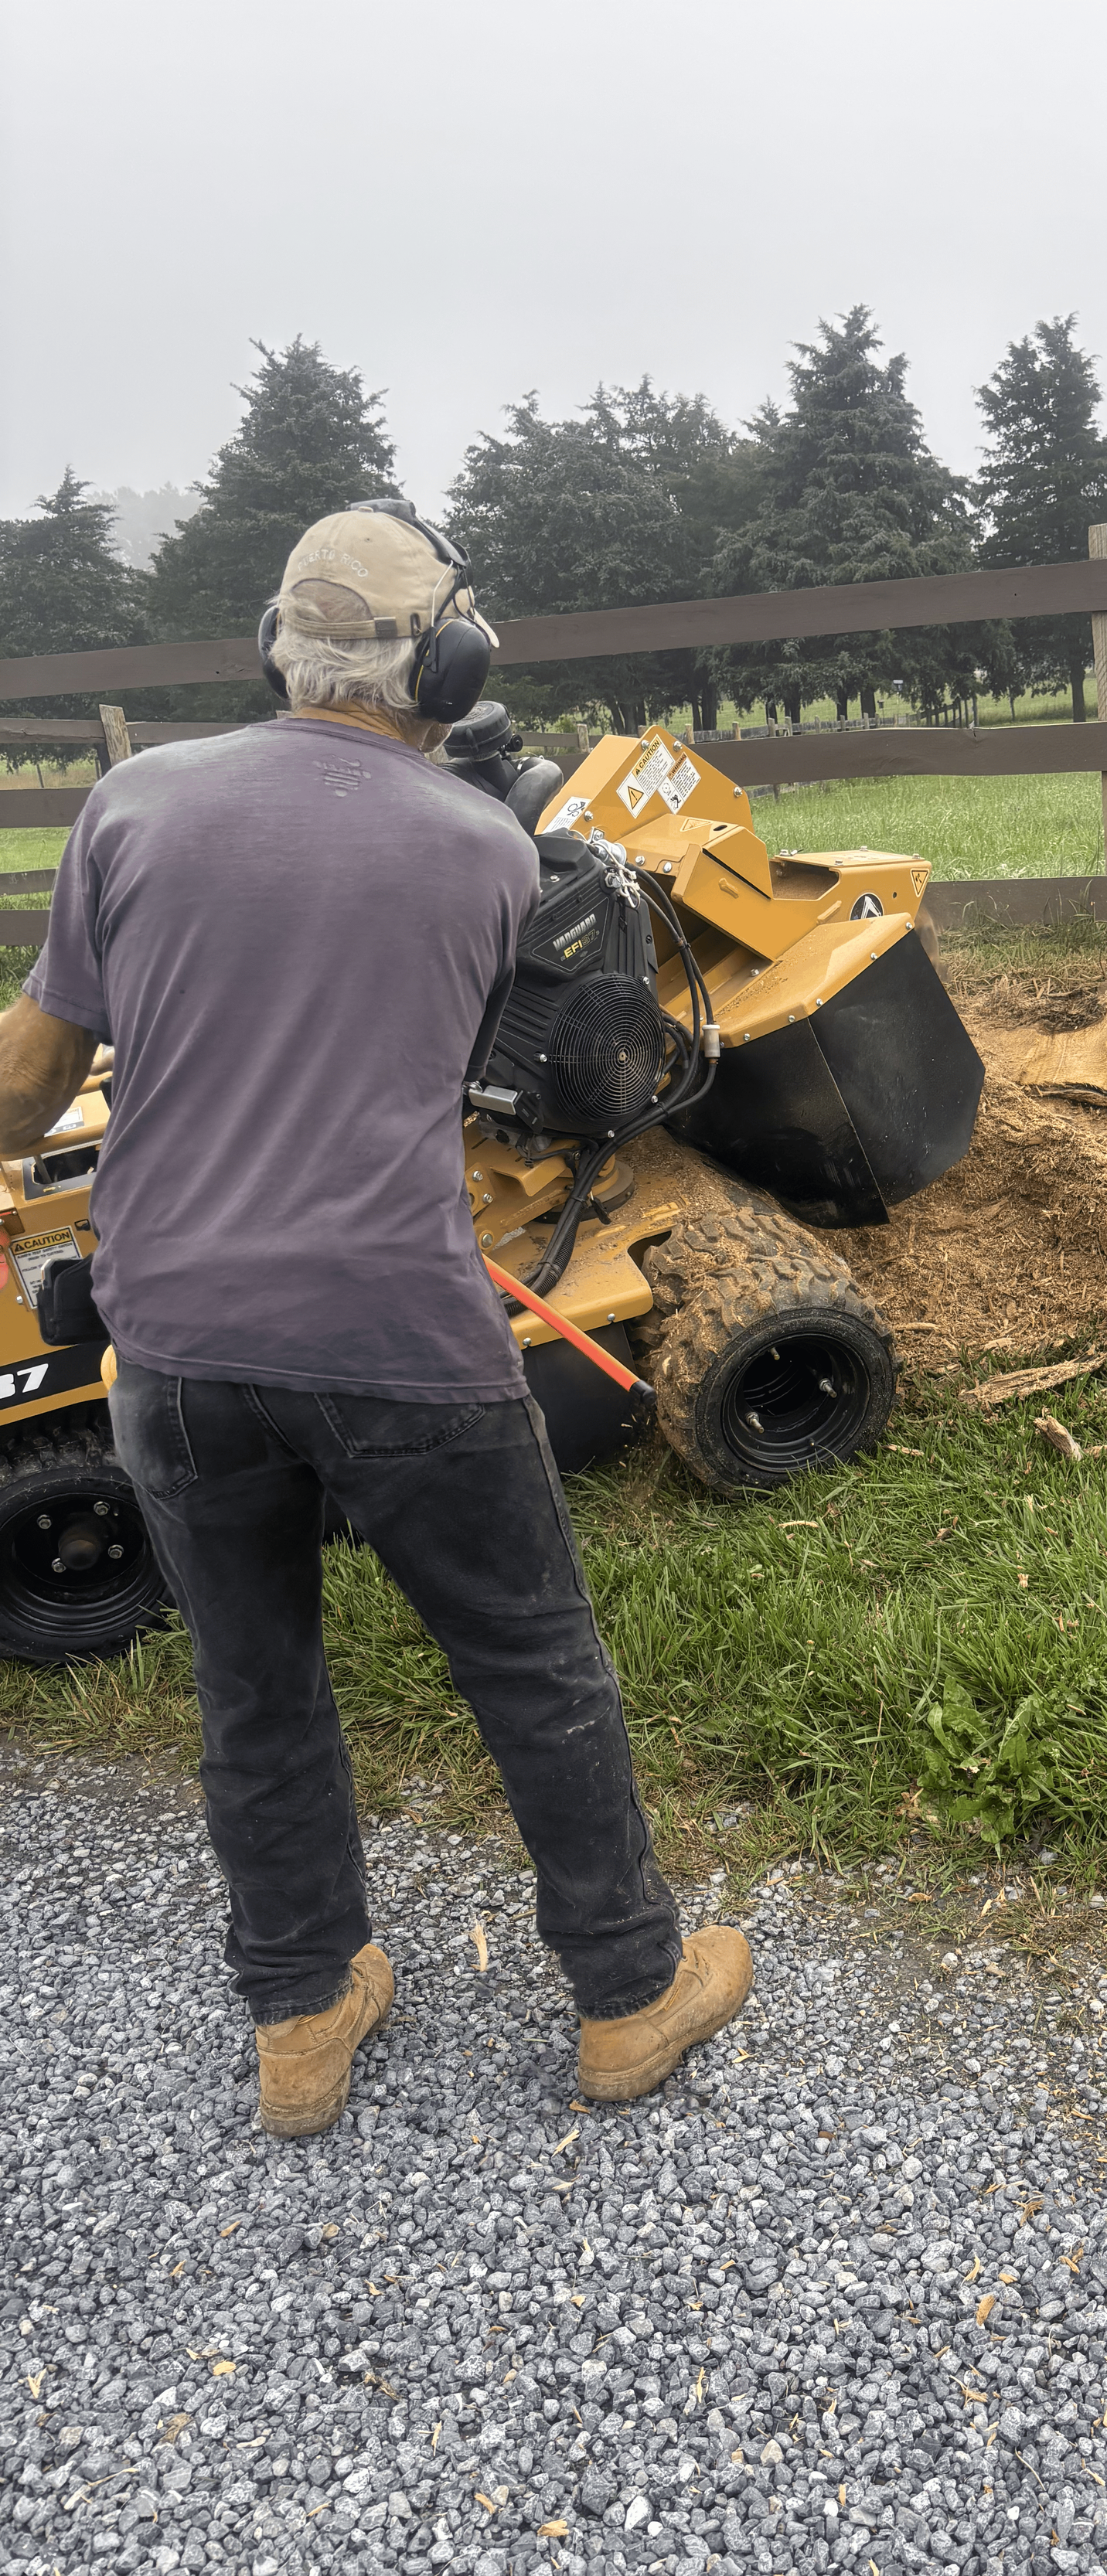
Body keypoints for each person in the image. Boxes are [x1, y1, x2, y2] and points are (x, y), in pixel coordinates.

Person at [0, 501, 751, 2137]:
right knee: (530, 1659)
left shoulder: (129, 806)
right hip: (399, 1333)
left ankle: (302, 2011)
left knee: (253, 1680)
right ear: (450, 660)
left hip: (177, 1344)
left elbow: (24, 1090)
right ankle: (628, 1993)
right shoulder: (485, 849)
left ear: (276, 646)